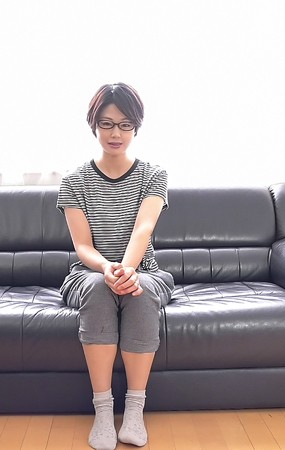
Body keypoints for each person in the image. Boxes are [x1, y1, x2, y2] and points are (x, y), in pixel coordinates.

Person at [57, 82, 174, 450]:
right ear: (93, 125)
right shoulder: (74, 182)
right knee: (97, 286)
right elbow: (82, 246)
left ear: (136, 127)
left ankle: (135, 411)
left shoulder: (153, 175)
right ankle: (104, 411)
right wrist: (108, 269)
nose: (115, 134)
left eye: (125, 125)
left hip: (145, 270)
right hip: (89, 273)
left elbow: (143, 228)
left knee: (140, 291)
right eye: (106, 124)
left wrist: (126, 271)